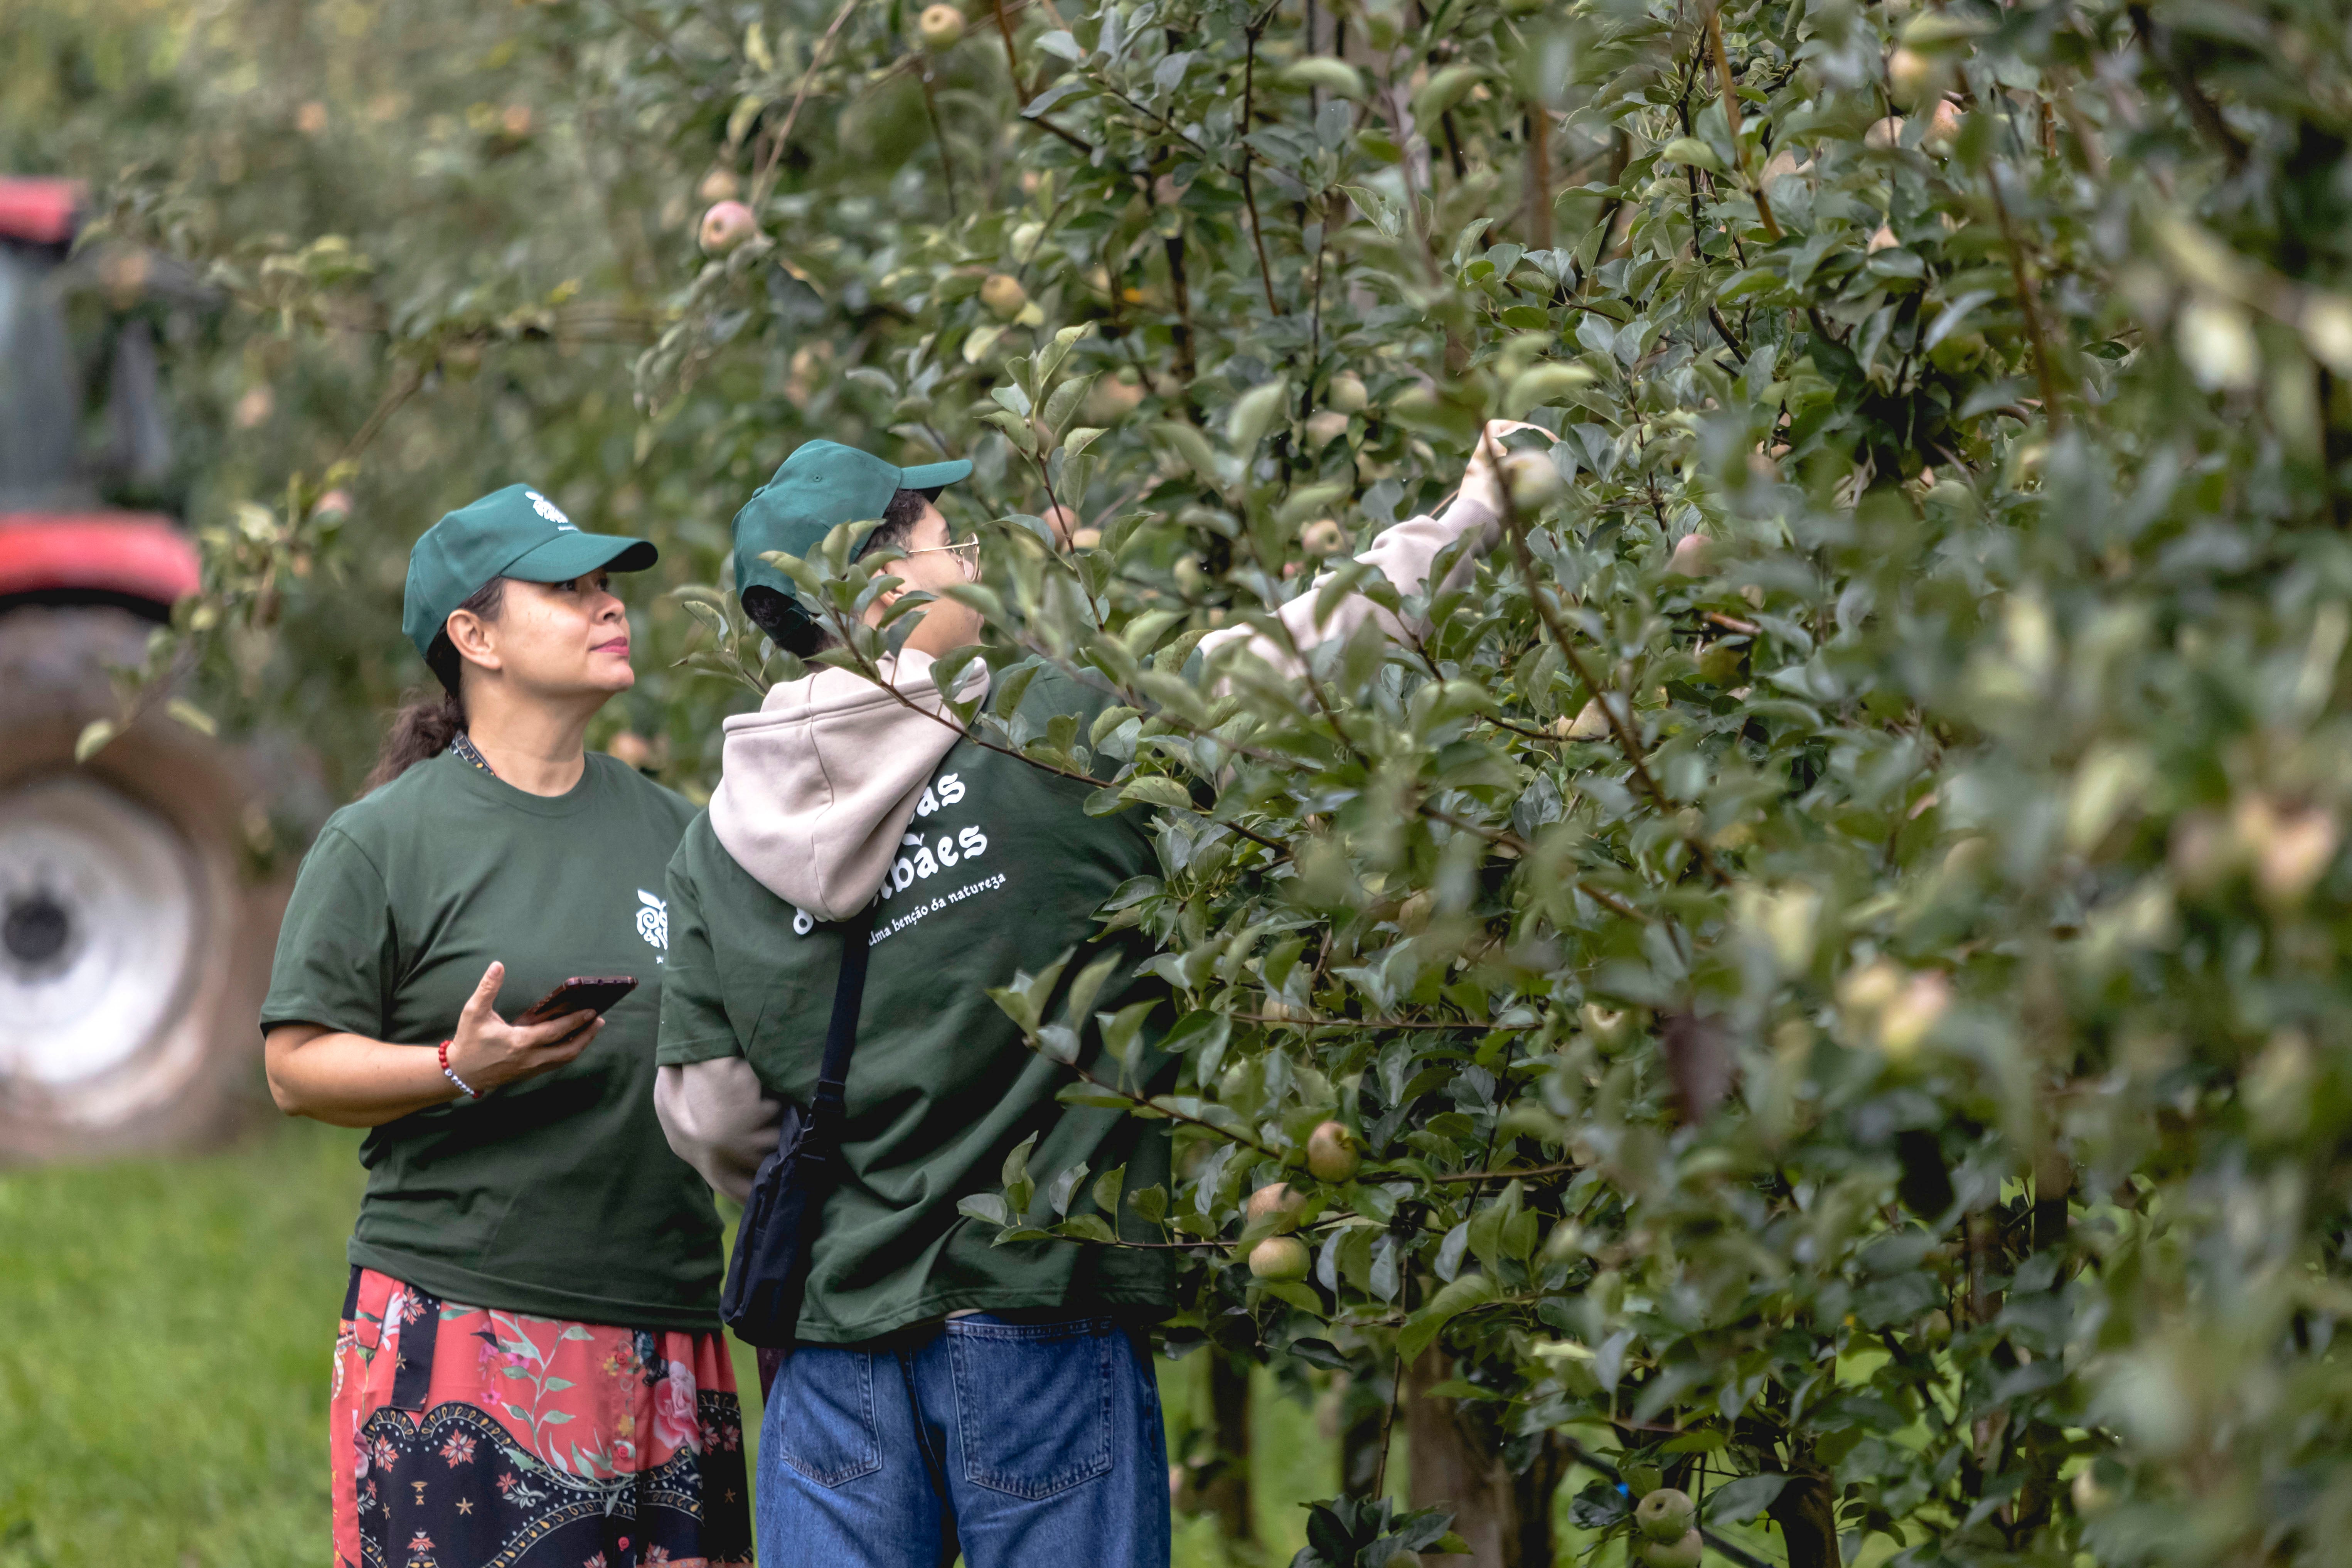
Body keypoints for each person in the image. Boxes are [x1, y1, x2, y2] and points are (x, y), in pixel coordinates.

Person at [653, 432, 1518, 1567]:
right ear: (879, 581)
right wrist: (1473, 513)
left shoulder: (712, 844)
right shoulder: (1053, 731)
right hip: (1038, 1309)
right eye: (948, 541)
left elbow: (713, 1116)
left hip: (833, 1341)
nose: (973, 560)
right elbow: (1303, 652)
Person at [259, 484, 750, 1568]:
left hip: (667, 1317)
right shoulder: (384, 840)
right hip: (475, 1327)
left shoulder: (679, 831)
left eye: (607, 584)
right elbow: (295, 1067)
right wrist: (454, 1067)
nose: (606, 604)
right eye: (567, 586)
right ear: (472, 636)